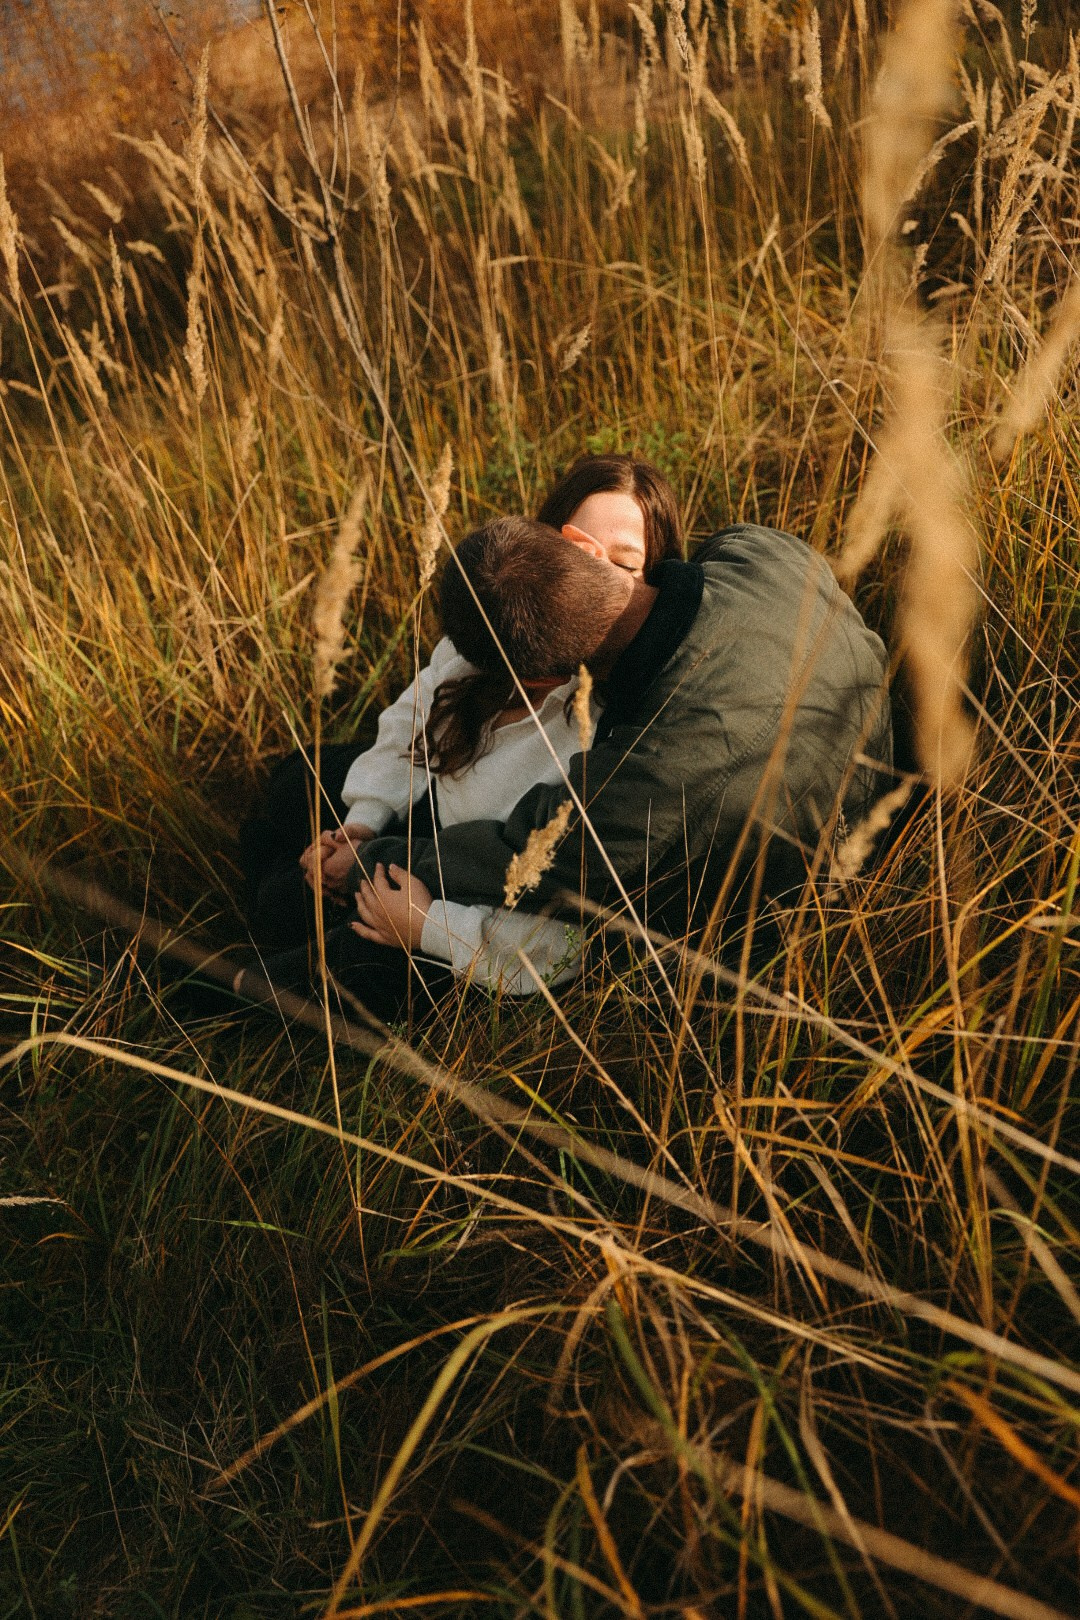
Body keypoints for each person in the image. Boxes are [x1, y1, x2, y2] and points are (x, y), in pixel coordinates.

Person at [239, 454, 683, 1017]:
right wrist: (364, 819)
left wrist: (428, 928)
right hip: (424, 815)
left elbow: (560, 933)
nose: (585, 581)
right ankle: (272, 907)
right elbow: (414, 713)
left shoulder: (606, 729)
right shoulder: (504, 613)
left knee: (279, 982)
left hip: (464, 905)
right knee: (296, 788)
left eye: (622, 566)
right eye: (574, 553)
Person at [352, 514, 893, 971]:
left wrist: (367, 861)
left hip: (792, 937)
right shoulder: (763, 551)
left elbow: (521, 853)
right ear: (584, 545)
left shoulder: (649, 781)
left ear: (541, 684)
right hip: (876, 788)